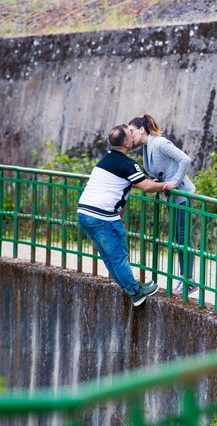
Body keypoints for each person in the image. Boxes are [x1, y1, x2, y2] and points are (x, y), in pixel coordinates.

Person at [77, 124, 175, 306]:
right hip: (103, 217)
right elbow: (146, 187)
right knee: (118, 257)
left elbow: (137, 181)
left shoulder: (106, 159)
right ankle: (135, 292)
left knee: (108, 257)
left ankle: (130, 287)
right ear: (127, 143)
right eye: (131, 133)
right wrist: (166, 185)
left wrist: (147, 181)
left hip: (84, 213)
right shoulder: (128, 164)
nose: (134, 132)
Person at [128, 114, 197, 296]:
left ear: (142, 130)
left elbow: (185, 159)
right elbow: (159, 171)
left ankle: (188, 281)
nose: (130, 135)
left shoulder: (159, 143)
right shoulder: (147, 147)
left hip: (182, 195)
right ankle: (186, 279)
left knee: (183, 239)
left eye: (132, 131)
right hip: (172, 198)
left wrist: (174, 181)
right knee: (178, 238)